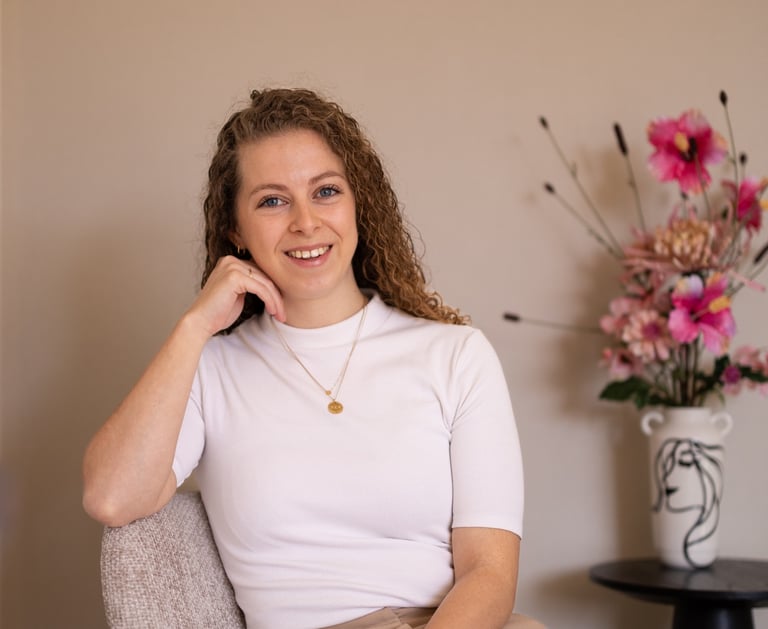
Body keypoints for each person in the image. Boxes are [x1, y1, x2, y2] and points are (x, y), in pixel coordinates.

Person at [83, 88, 537, 629]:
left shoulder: (456, 356)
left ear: (357, 204)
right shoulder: (209, 370)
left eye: (325, 191)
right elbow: (112, 497)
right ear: (236, 231)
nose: (305, 222)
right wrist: (193, 327)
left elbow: (489, 571)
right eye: (272, 201)